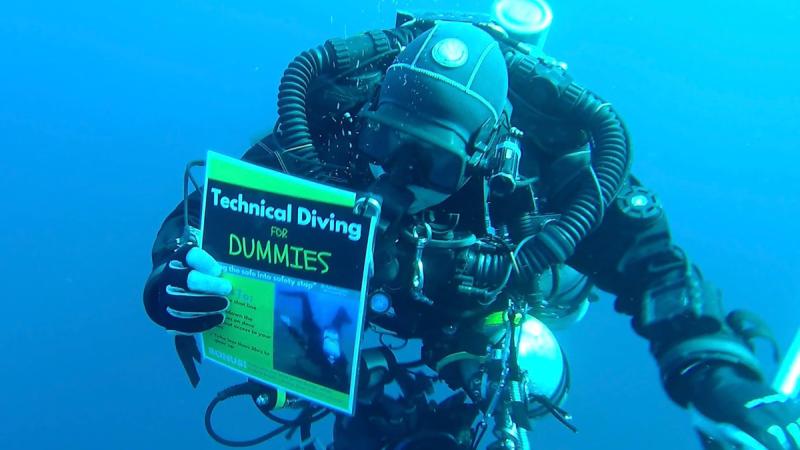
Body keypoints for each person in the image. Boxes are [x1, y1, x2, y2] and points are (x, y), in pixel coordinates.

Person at [143, 3, 800, 449]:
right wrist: (174, 274)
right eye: (385, 142)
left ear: (490, 156)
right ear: (373, 111)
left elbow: (653, 267)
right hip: (360, 297)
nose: (395, 175)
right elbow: (209, 219)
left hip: (493, 303)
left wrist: (719, 377)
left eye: (428, 161)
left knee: (535, 352)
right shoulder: (339, 126)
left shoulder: (549, 170)